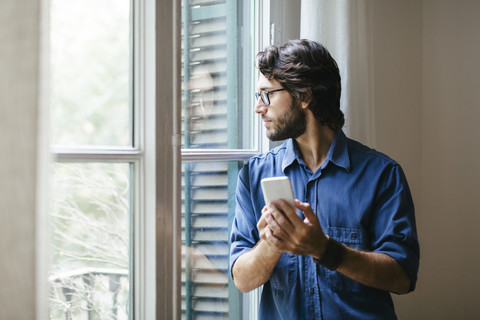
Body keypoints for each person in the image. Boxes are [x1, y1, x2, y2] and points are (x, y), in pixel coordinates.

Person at [229, 39, 420, 319]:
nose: (259, 107)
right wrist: (273, 241)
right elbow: (242, 280)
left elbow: (402, 277)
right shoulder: (253, 176)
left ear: (304, 95)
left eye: (267, 94)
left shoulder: (382, 175)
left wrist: (325, 249)